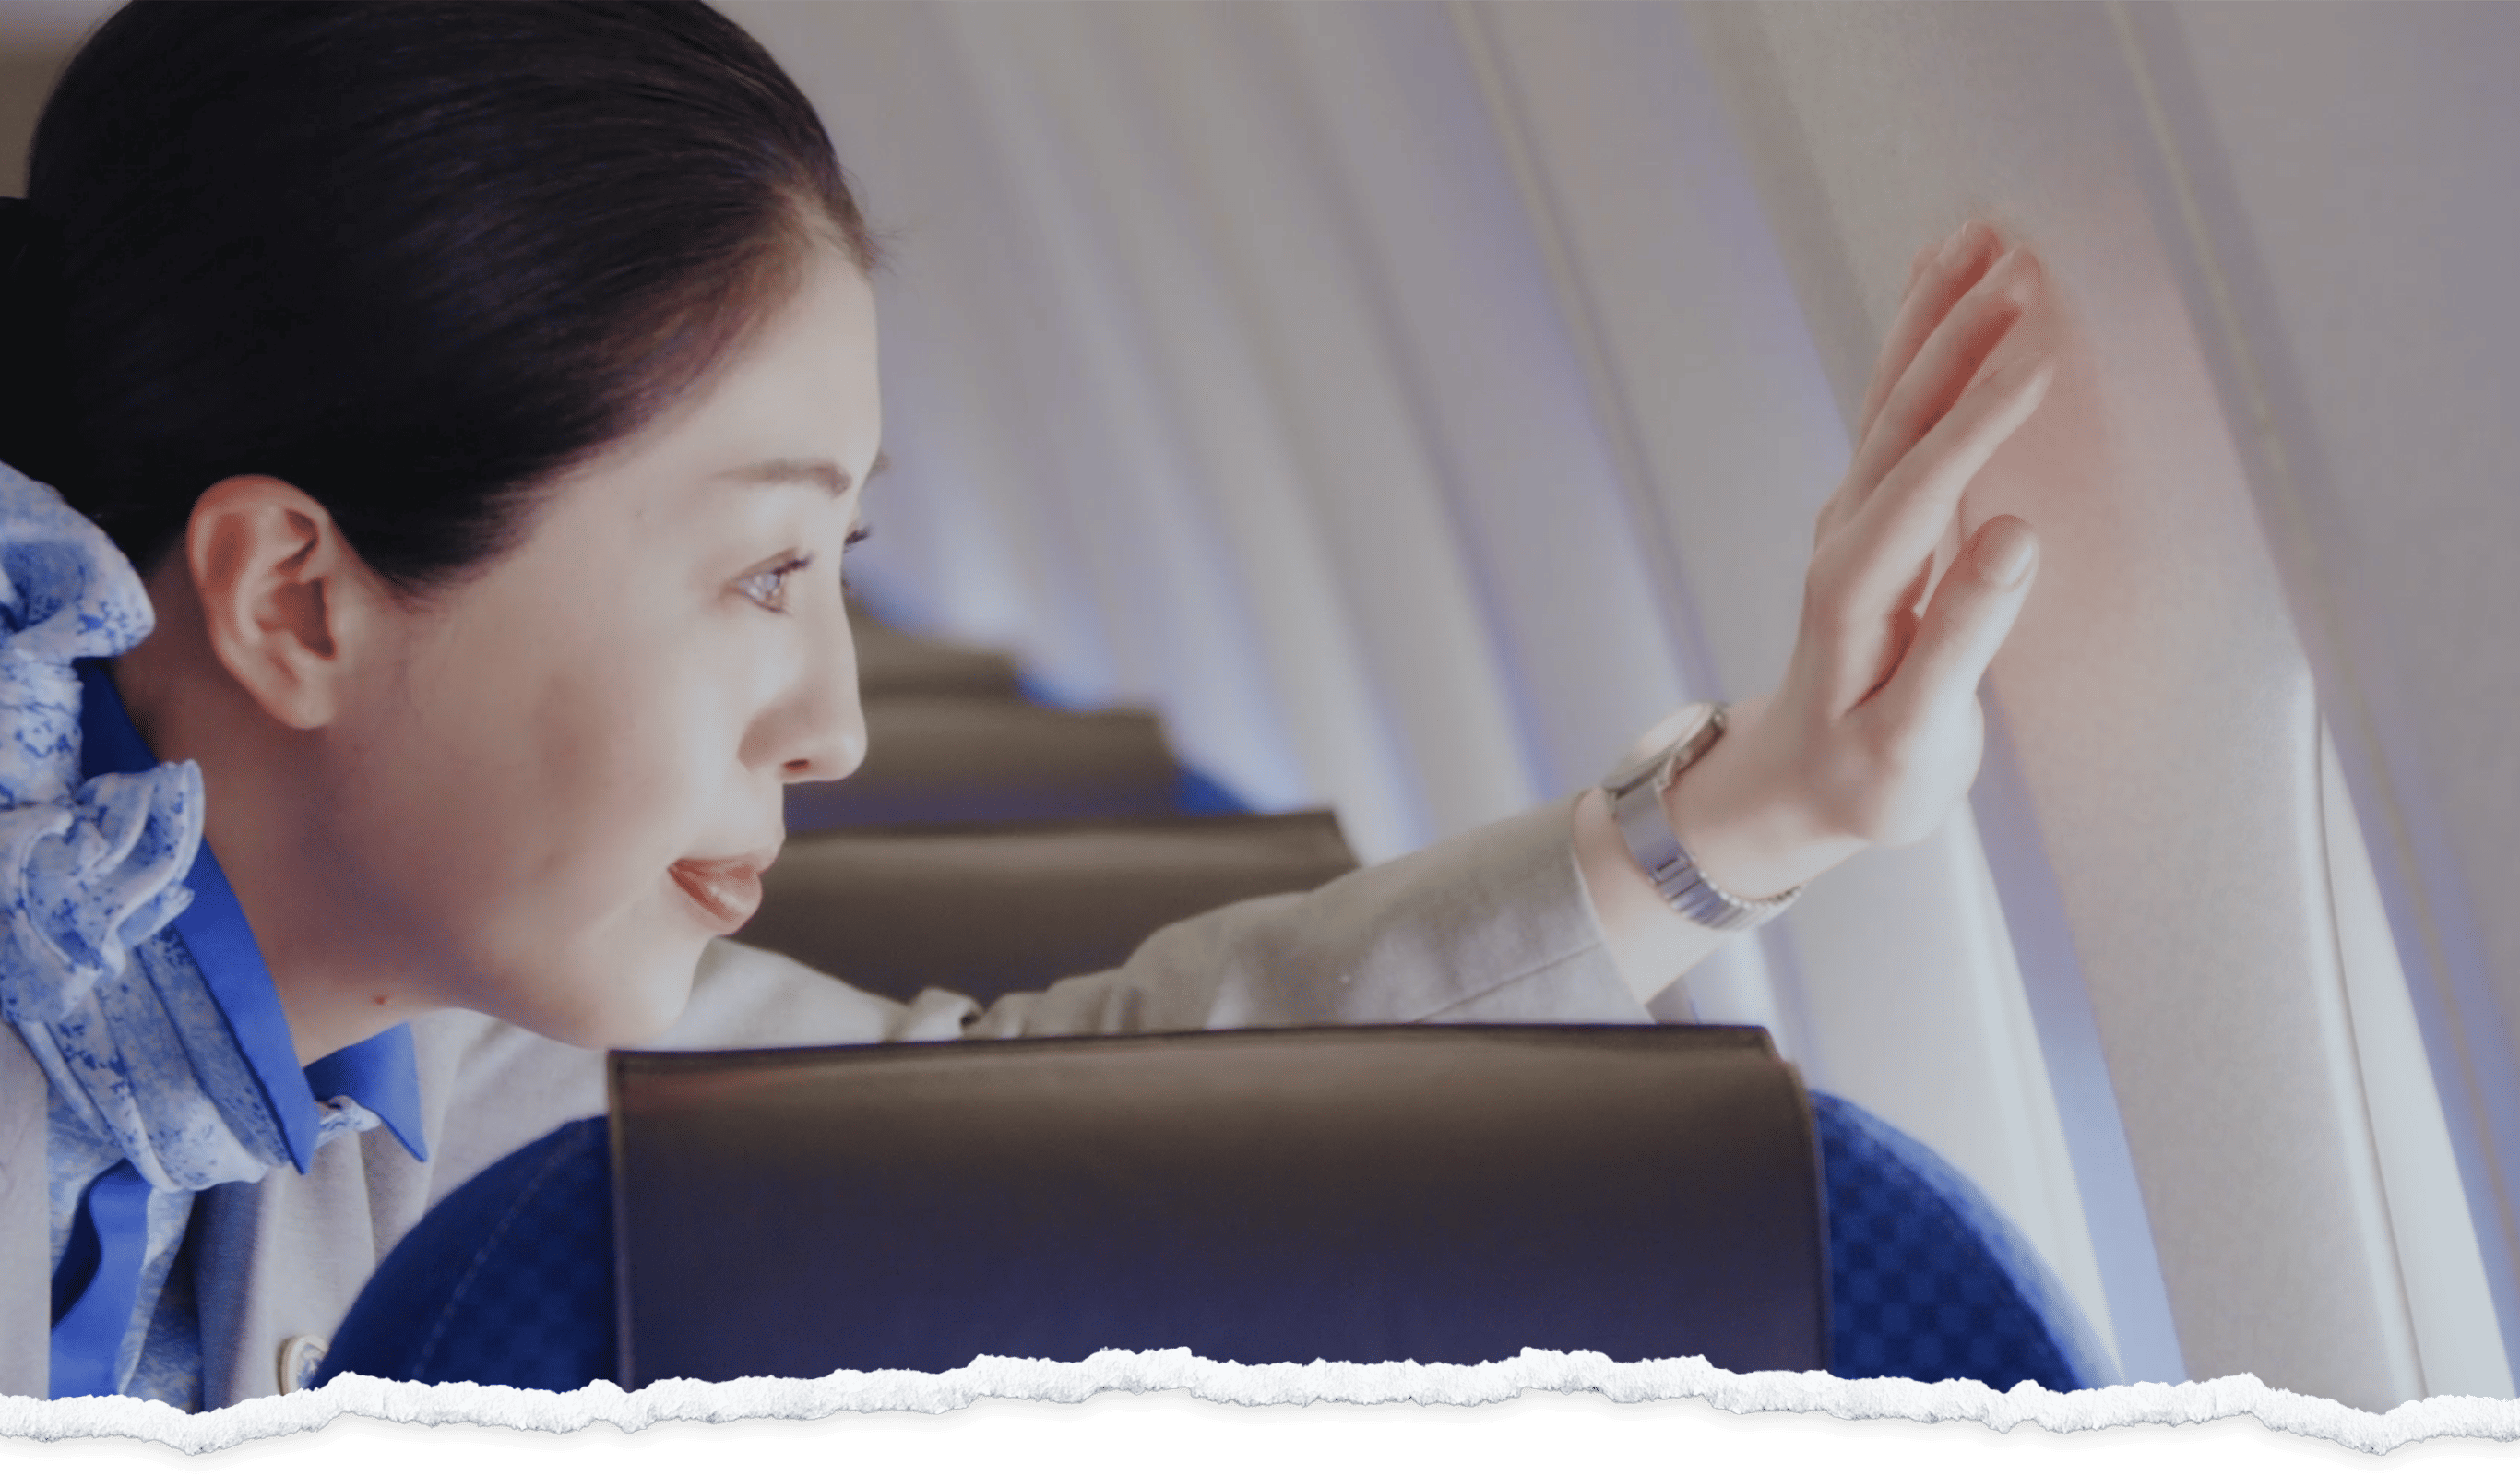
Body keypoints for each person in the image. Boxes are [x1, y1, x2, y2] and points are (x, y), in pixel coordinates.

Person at [0, 1, 2052, 1411]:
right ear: (293, 596)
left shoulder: (427, 1051)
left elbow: (1045, 1121)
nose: (832, 728)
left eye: (839, 570)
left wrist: (1762, 808)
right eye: (759, 570)